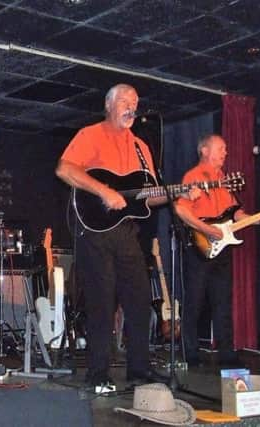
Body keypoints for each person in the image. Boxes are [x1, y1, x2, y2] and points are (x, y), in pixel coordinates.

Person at [56, 83, 197, 388]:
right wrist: (104, 190)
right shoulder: (91, 134)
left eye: (134, 101)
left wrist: (180, 192)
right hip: (94, 231)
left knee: (140, 300)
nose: (131, 105)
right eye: (124, 100)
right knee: (101, 303)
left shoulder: (141, 147)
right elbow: (65, 170)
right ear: (109, 106)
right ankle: (98, 375)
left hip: (127, 232)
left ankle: (139, 371)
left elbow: (149, 197)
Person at [175, 134, 260, 366]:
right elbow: (182, 210)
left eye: (226, 148)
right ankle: (190, 353)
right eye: (221, 148)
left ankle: (227, 353)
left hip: (222, 248)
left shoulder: (223, 179)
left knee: (223, 301)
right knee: (195, 300)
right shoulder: (193, 177)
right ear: (204, 150)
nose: (225, 152)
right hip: (200, 246)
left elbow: (235, 214)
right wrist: (206, 230)